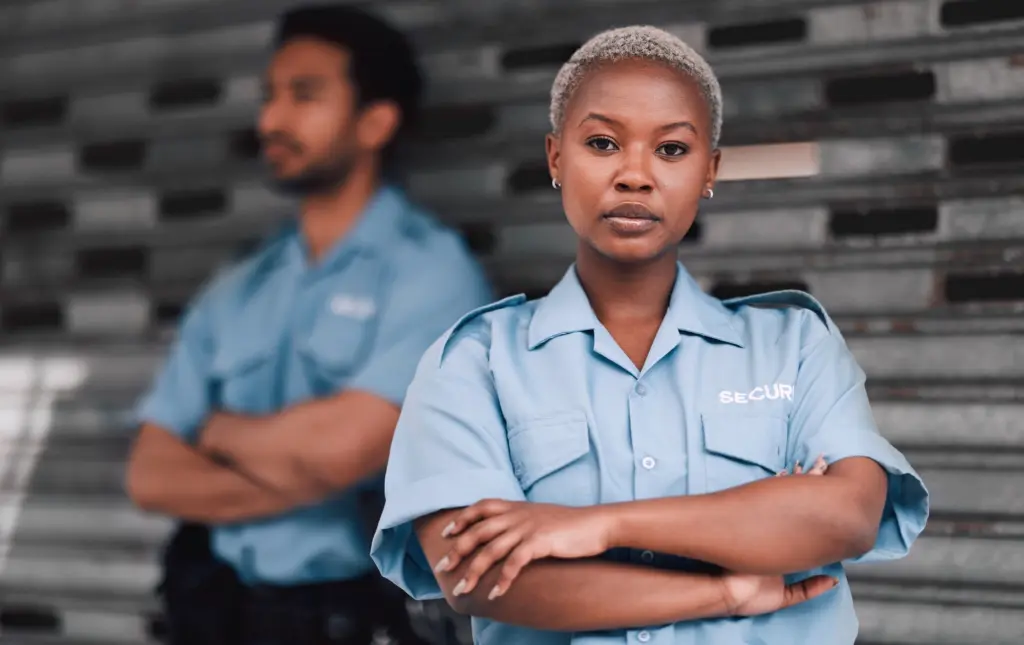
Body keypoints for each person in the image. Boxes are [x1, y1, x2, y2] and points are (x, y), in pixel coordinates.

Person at [370, 25, 929, 645]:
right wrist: (726, 590)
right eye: (603, 143)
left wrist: (597, 526)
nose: (635, 175)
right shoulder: (474, 361)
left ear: (709, 171)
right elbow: (474, 573)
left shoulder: (794, 347)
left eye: (671, 149)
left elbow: (847, 516)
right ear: (556, 158)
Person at [126, 5, 492, 644]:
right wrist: (311, 472)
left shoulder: (432, 274)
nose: (271, 120)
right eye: (269, 96)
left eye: (304, 95)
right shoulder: (241, 285)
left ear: (375, 122)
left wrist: (216, 431)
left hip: (348, 618)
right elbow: (150, 474)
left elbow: (342, 452)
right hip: (214, 612)